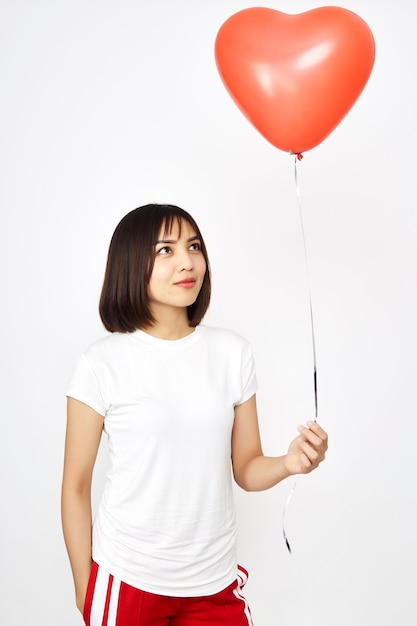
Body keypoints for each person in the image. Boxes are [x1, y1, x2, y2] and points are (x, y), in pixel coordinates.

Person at [61, 203, 328, 626]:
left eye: (194, 246)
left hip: (213, 583)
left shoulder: (232, 353)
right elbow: (75, 486)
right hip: (129, 579)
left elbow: (245, 468)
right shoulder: (101, 363)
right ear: (131, 264)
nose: (188, 262)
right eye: (165, 250)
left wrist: (290, 463)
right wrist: (85, 588)